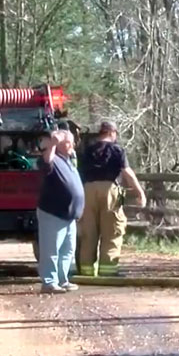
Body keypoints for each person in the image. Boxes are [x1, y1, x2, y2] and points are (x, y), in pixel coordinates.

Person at [77, 121, 147, 277]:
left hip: (87, 190)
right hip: (111, 190)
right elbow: (127, 173)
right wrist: (139, 192)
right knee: (112, 231)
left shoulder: (87, 151)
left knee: (89, 232)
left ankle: (87, 271)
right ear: (112, 133)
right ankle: (108, 270)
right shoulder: (117, 150)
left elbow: (79, 173)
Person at [36, 129, 85, 293]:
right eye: (69, 142)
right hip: (53, 213)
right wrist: (53, 144)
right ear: (61, 144)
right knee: (51, 250)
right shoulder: (51, 160)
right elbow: (46, 160)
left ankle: (63, 280)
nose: (73, 145)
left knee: (67, 251)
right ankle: (49, 282)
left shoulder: (68, 160)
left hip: (69, 216)